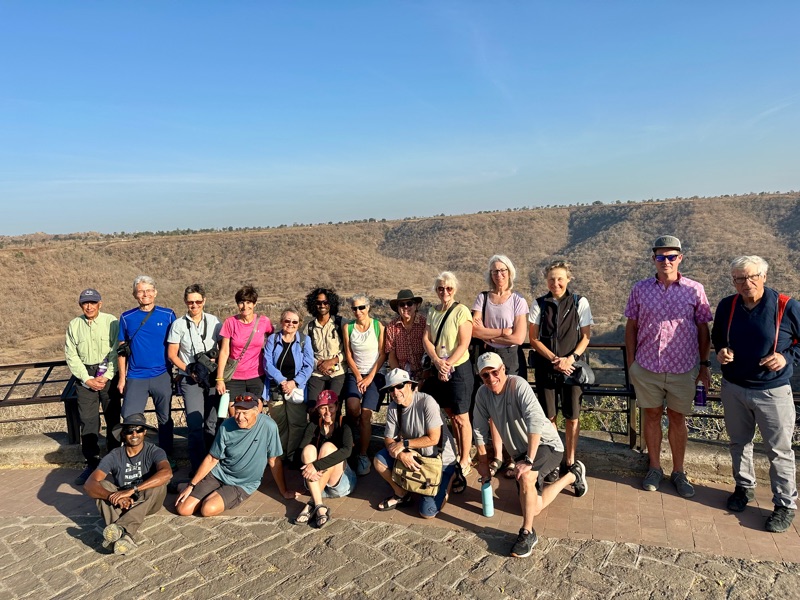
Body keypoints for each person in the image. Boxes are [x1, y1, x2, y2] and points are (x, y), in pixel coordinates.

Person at [712, 256, 800, 533]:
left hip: (772, 391)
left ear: (764, 276)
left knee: (779, 451)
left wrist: (786, 357)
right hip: (734, 387)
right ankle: (743, 488)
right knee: (739, 443)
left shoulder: (786, 306)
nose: (746, 283)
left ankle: (785, 504)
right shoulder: (728, 305)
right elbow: (718, 336)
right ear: (733, 281)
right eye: (739, 278)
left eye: (752, 277)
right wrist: (721, 351)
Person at [473, 353, 587, 558]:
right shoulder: (483, 394)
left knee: (526, 476)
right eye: (485, 375)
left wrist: (528, 461)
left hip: (545, 444)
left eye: (494, 372)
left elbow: (534, 422)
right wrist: (483, 463)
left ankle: (527, 533)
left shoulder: (518, 385)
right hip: (521, 453)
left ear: (503, 369)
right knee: (533, 508)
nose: (491, 378)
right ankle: (573, 475)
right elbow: (479, 429)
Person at [624, 236, 712, 498]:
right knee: (651, 416)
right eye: (661, 257)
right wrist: (631, 364)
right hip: (647, 366)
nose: (666, 261)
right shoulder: (640, 289)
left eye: (671, 256)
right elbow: (631, 326)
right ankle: (654, 467)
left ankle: (679, 471)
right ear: (654, 259)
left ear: (680, 258)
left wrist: (704, 366)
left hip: (683, 368)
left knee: (677, 418)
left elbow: (703, 330)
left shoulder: (695, 290)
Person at [175, 393, 293, 517]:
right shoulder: (226, 426)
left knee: (207, 509)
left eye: (245, 413)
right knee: (183, 509)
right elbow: (212, 458)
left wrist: (283, 491)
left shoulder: (269, 426)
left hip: (242, 483)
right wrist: (191, 485)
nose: (240, 417)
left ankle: (201, 492)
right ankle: (187, 486)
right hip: (219, 474)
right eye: (237, 412)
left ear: (257, 411)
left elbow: (274, 460)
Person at [528, 260, 593, 481]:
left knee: (572, 416)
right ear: (546, 281)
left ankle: (570, 460)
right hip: (546, 368)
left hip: (571, 369)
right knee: (549, 417)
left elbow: (585, 336)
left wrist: (570, 359)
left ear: (568, 279)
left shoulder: (579, 302)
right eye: (551, 279)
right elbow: (533, 338)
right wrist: (554, 359)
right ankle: (555, 460)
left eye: (559, 279)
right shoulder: (539, 304)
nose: (555, 283)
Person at [471, 255, 529, 479]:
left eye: (503, 270)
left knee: (513, 407)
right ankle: (497, 456)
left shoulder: (518, 300)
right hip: (489, 355)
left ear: (510, 272)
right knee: (493, 409)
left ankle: (515, 456)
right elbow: (474, 330)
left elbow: (519, 337)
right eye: (495, 271)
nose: (499, 274)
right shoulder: (483, 298)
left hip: (511, 357)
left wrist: (489, 334)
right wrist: (503, 332)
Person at [373, 368, 458, 519]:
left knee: (427, 512)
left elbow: (434, 439)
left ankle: (451, 476)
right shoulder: (393, 407)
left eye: (399, 386)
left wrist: (404, 444)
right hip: (414, 454)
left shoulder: (427, 402)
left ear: (410, 385)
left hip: (438, 459)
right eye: (391, 389)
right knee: (379, 461)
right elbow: (388, 439)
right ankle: (401, 494)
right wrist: (402, 455)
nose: (395, 392)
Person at [83, 413, 172, 555]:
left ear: (144, 432)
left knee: (159, 484)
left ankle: (120, 529)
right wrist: (112, 495)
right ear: (123, 434)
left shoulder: (154, 451)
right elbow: (89, 484)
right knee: (101, 486)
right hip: (122, 502)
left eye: (139, 430)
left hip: (146, 501)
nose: (134, 434)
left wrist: (132, 490)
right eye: (130, 431)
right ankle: (124, 537)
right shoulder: (115, 455)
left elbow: (167, 473)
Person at [65, 288, 122, 485]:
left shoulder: (111, 321)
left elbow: (116, 350)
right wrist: (87, 379)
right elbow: (71, 355)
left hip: (108, 374)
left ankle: (116, 461)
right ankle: (92, 464)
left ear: (100, 304)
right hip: (85, 376)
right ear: (80, 305)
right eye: (85, 303)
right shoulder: (74, 325)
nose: (89, 306)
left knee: (113, 418)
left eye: (93, 303)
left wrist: (107, 376)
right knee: (88, 421)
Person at [117, 275, 177, 458]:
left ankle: (166, 458)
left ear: (155, 292)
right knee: (130, 419)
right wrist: (122, 378)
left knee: (165, 419)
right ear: (135, 294)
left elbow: (177, 345)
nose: (145, 294)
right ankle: (134, 459)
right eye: (141, 291)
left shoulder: (168, 315)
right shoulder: (126, 318)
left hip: (162, 374)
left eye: (149, 290)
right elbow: (121, 350)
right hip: (136, 376)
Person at [422, 271, 474, 475]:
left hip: (458, 368)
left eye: (449, 288)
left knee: (462, 416)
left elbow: (464, 343)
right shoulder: (432, 312)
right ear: (436, 290)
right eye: (441, 288)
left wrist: (447, 364)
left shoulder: (462, 311)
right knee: (451, 414)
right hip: (439, 367)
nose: (445, 292)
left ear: (455, 289)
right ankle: (458, 451)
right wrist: (437, 361)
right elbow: (426, 339)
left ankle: (465, 458)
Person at [166, 284, 222, 473]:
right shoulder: (179, 324)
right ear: (185, 302)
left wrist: (214, 360)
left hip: (211, 378)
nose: (194, 305)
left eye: (198, 301)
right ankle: (197, 466)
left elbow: (224, 348)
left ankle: (213, 465)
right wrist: (189, 369)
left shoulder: (214, 321)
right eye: (190, 302)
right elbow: (172, 354)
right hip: (190, 379)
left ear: (204, 301)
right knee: (195, 424)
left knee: (212, 423)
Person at [293, 391, 356, 528]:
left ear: (337, 406)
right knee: (308, 449)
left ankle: (311, 504)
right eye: (323, 408)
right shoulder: (314, 425)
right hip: (315, 483)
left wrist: (316, 466)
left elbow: (347, 451)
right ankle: (319, 506)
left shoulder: (344, 424)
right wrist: (309, 469)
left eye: (331, 407)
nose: (327, 412)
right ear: (318, 410)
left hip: (339, 484)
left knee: (327, 447)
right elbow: (298, 455)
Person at [263, 307, 315, 466]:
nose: (290, 324)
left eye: (295, 321)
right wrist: (282, 380)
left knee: (297, 424)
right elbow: (267, 363)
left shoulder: (304, 341)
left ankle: (292, 456)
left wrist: (294, 382)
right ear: (281, 322)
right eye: (287, 320)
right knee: (279, 424)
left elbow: (308, 365)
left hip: (296, 388)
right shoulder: (273, 339)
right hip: (275, 387)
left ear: (299, 323)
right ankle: (280, 455)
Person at [342, 294, 386, 476]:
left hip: (375, 375)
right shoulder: (348, 328)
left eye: (361, 307)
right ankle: (351, 439)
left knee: (366, 414)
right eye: (354, 308)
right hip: (355, 374)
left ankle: (362, 454)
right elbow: (348, 354)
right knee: (352, 407)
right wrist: (359, 376)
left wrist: (369, 378)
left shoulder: (378, 326)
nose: (358, 311)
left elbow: (382, 354)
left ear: (368, 308)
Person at [215, 285, 273, 408]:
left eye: (248, 302)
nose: (245, 306)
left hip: (257, 375)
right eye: (241, 302)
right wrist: (220, 379)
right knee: (234, 413)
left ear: (255, 303)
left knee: (254, 412)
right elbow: (224, 351)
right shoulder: (230, 322)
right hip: (234, 376)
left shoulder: (264, 322)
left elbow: (273, 340)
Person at [302, 287, 346, 403]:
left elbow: (349, 350)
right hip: (317, 373)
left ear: (331, 303)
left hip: (338, 372)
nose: (322, 305)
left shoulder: (340, 324)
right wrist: (318, 364)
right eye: (319, 302)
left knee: (333, 406)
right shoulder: (309, 327)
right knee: (313, 405)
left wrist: (332, 361)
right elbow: (304, 352)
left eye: (325, 302)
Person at [385, 289, 428, 383]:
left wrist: (423, 377)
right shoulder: (391, 327)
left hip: (425, 375)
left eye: (409, 303)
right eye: (402, 304)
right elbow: (391, 355)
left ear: (415, 306)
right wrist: (400, 378)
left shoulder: (425, 324)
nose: (405, 307)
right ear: (398, 308)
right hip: (402, 375)